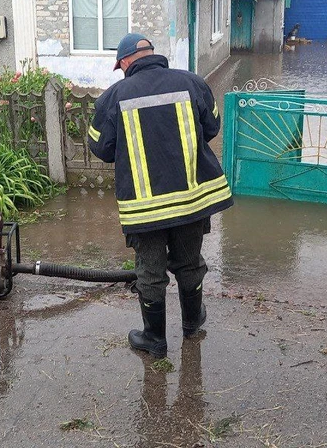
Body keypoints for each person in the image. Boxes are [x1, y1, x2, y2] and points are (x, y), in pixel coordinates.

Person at [88, 33, 233, 358]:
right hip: (191, 200)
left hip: (145, 208)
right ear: (153, 54)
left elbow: (101, 148)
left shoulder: (113, 97)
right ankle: (192, 323)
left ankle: (154, 339)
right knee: (189, 261)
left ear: (125, 62)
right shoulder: (193, 83)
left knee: (150, 270)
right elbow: (212, 127)